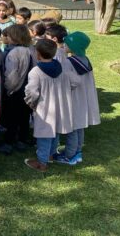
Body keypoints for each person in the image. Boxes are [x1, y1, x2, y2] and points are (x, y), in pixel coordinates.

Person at [24, 39, 79, 172]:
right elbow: (76, 81)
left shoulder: (36, 72)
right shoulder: (62, 67)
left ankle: (42, 162)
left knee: (45, 134)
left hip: (45, 108)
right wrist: (66, 91)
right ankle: (50, 155)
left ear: (38, 54)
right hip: (61, 105)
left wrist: (31, 103)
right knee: (55, 131)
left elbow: (31, 92)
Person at [57, 32, 100, 164]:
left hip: (74, 98)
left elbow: (69, 81)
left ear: (74, 47)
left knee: (72, 127)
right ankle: (77, 152)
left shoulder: (69, 62)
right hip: (84, 97)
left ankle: (69, 156)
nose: (64, 45)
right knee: (79, 126)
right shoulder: (85, 60)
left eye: (67, 44)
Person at [0, 25, 33, 155]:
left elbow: (11, 75)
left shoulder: (14, 53)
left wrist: (8, 89)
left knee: (12, 118)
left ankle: (9, 142)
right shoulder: (30, 49)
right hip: (28, 88)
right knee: (24, 116)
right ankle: (23, 139)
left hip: (16, 90)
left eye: (9, 36)